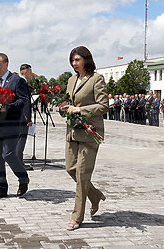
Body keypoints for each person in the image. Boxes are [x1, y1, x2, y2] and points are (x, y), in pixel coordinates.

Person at [59, 46, 108, 231]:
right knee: (70, 168)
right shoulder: (71, 80)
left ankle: (76, 217)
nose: (74, 63)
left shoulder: (97, 79)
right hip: (73, 131)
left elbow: (103, 105)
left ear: (86, 60)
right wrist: (65, 107)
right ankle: (95, 196)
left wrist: (80, 109)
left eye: (77, 60)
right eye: (72, 60)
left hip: (90, 132)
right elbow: (70, 101)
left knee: (82, 175)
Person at [0, 53, 30, 200]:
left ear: (6, 64)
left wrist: (7, 107)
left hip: (12, 124)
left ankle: (23, 178)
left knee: (9, 154)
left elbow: (23, 101)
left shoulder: (17, 81)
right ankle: (1, 187)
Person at [17, 64, 33, 165]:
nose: (31, 74)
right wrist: (28, 118)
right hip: (22, 117)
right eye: (30, 71)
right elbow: (25, 101)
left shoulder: (19, 81)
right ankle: (19, 162)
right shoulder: (22, 81)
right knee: (21, 140)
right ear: (26, 71)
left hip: (19, 116)